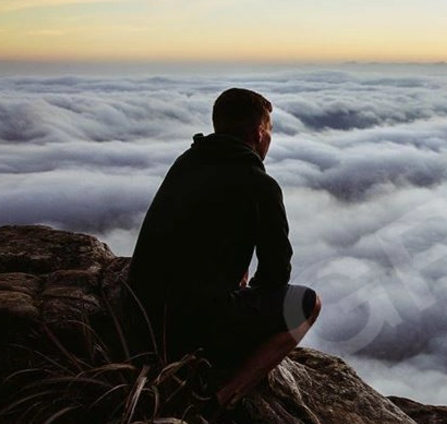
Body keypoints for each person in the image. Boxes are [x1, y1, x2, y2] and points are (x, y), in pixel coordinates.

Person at [128, 87, 320, 406]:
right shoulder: (260, 185)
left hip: (141, 318)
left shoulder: (187, 161)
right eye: (269, 132)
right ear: (260, 134)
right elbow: (276, 274)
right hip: (192, 329)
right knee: (308, 304)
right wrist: (246, 295)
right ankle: (222, 398)